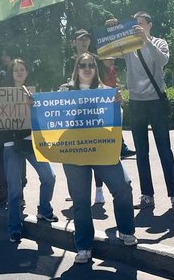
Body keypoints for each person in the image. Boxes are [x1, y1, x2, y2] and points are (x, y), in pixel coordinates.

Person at [59, 53, 137, 263]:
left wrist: (118, 104)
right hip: (74, 151)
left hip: (102, 149)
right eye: (82, 65)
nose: (87, 68)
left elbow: (116, 121)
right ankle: (83, 246)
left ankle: (126, 230)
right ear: (76, 68)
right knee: (81, 200)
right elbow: (53, 117)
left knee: (123, 186)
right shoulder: (64, 90)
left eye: (91, 65)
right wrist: (33, 106)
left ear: (96, 69)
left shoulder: (105, 91)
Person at [109, 12, 174, 212]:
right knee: (142, 152)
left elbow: (162, 61)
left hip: (157, 101)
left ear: (149, 25)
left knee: (164, 150)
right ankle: (147, 195)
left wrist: (146, 40)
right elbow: (109, 52)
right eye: (134, 24)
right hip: (137, 102)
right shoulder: (128, 45)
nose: (137, 27)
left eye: (141, 24)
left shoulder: (159, 42)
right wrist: (114, 31)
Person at [2, 58, 57, 243]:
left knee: (49, 177)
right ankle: (15, 227)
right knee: (15, 189)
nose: (18, 72)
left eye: (22, 69)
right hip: (10, 144)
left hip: (31, 143)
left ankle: (44, 210)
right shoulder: (1, 94)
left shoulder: (33, 94)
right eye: (15, 69)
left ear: (27, 73)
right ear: (11, 73)